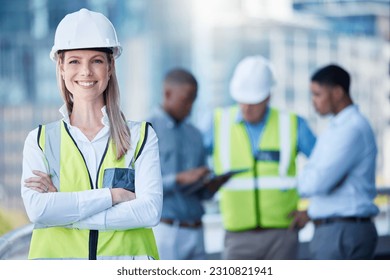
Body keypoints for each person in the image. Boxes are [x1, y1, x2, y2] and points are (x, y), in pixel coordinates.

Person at [21, 8, 162, 260]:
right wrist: (112, 196)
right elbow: (38, 211)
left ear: (110, 67)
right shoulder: (40, 141)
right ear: (61, 67)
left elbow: (149, 211)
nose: (85, 72)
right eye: (75, 61)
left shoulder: (140, 137)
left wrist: (66, 211)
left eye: (96, 60)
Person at [203, 55, 316, 260]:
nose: (246, 107)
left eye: (253, 102)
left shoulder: (292, 124)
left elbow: (326, 167)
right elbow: (193, 163)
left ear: (267, 97)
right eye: (242, 100)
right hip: (237, 236)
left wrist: (313, 210)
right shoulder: (218, 123)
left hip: (283, 235)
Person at [298, 64, 379, 260]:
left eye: (317, 94)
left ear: (337, 92)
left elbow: (315, 183)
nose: (313, 102)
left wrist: (309, 176)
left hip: (342, 233)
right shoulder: (337, 128)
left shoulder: (351, 129)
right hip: (336, 230)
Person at [149, 68, 228, 260]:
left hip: (197, 229)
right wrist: (179, 179)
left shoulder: (195, 134)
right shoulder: (146, 130)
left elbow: (202, 192)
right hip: (166, 231)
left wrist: (211, 185)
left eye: (194, 100)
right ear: (167, 94)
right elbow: (139, 186)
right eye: (186, 100)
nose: (190, 107)